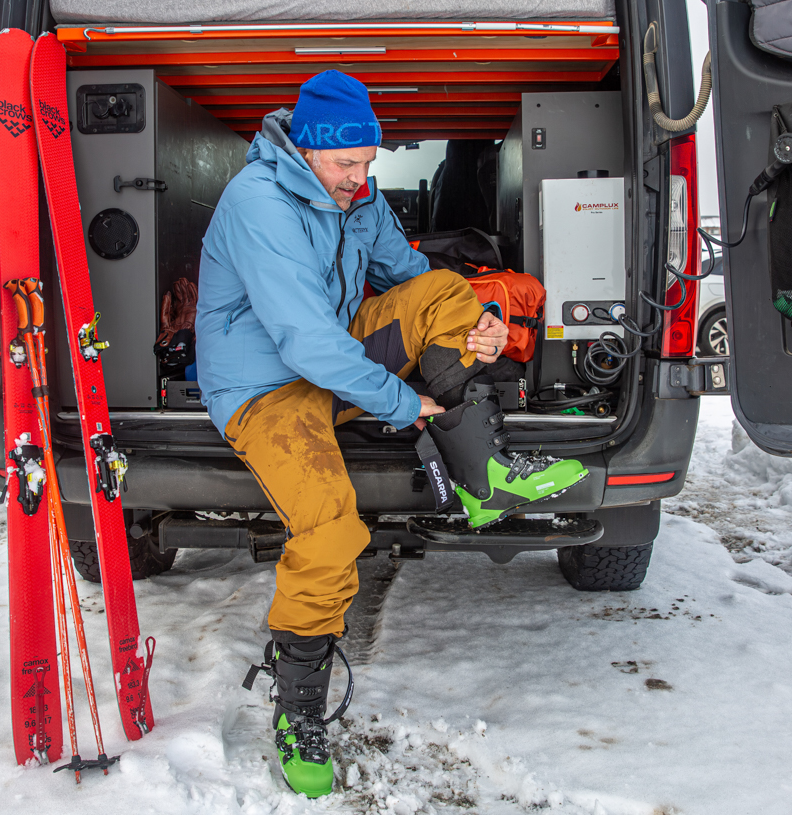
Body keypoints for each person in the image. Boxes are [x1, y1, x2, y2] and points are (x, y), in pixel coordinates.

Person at [195, 70, 589, 798]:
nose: (359, 177)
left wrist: (479, 323)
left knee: (445, 290)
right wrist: (403, 403)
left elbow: (408, 275)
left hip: (331, 359)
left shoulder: (356, 195)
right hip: (266, 386)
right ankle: (298, 709)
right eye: (346, 164)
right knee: (330, 530)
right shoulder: (259, 203)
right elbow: (305, 341)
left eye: (369, 162)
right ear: (306, 150)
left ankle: (487, 476)